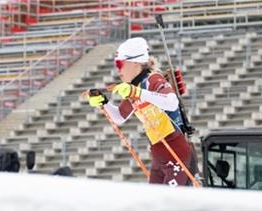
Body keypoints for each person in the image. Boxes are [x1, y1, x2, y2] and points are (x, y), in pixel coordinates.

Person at [83, 37, 195, 187]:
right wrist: (104, 103)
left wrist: (137, 92)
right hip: (158, 154)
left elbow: (171, 101)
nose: (118, 69)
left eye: (120, 63)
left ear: (135, 63)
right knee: (153, 204)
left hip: (176, 152)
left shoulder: (152, 79)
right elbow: (119, 117)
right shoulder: (133, 87)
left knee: (170, 204)